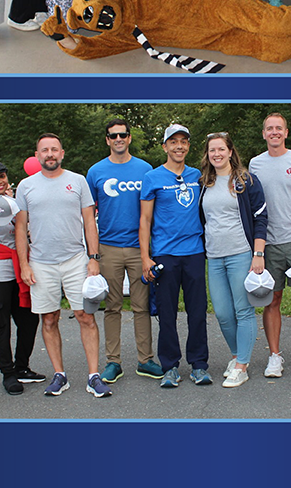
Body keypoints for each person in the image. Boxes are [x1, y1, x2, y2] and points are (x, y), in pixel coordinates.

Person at [15, 134, 111, 398]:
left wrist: (94, 258)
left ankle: (94, 376)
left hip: (75, 260)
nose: (50, 154)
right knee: (49, 318)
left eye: (54, 149)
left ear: (62, 153)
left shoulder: (77, 181)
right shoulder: (25, 186)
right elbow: (21, 228)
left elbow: (90, 222)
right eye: (45, 150)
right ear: (37, 155)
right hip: (41, 262)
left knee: (85, 317)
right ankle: (60, 375)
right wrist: (24, 265)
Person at [86, 119, 163, 383]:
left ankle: (145, 360)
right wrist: (93, 255)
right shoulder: (95, 172)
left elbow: (154, 210)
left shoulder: (145, 169)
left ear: (129, 138)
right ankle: (113, 362)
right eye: (113, 135)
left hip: (138, 249)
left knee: (142, 307)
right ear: (107, 140)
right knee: (112, 307)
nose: (118, 139)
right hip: (108, 248)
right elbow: (88, 216)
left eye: (123, 134)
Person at [247, 113, 291, 379]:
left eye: (279, 128)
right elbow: (252, 204)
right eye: (269, 128)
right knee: (272, 300)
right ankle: (274, 357)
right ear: (264, 134)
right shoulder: (255, 164)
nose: (274, 132)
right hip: (267, 243)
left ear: (286, 132)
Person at [140, 124, 211, 388]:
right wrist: (146, 257)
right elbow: (145, 220)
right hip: (164, 255)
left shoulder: (199, 175)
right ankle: (169, 366)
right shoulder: (153, 177)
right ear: (165, 146)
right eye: (173, 142)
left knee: (197, 312)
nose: (179, 146)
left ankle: (199, 364)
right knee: (167, 314)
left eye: (183, 141)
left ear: (189, 146)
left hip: (194, 252)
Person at [198, 132, 269, 388]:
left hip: (241, 253)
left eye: (221, 149)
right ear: (207, 154)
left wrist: (258, 253)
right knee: (223, 314)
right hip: (214, 257)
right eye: (211, 150)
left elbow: (261, 218)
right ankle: (238, 356)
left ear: (230, 151)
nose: (216, 154)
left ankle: (241, 366)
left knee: (243, 311)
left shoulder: (246, 180)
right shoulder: (203, 182)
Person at [0, 161, 44, 395]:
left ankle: (22, 366)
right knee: (1, 326)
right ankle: (8, 373)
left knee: (29, 321)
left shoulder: (17, 205)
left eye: (2, 176)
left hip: (21, 269)